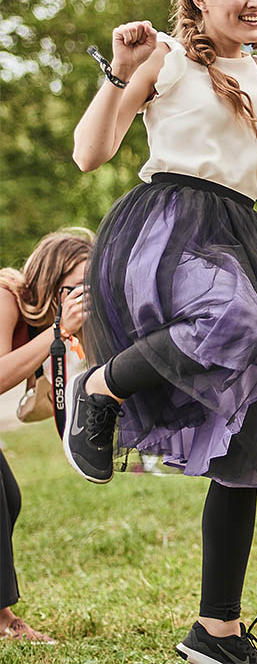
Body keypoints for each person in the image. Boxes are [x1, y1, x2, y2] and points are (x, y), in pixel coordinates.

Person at [68, 0, 257, 662]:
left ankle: (214, 632)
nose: (255, 0)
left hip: (242, 237)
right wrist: (118, 74)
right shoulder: (164, 56)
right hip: (174, 231)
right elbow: (90, 152)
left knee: (248, 442)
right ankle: (98, 387)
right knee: (229, 323)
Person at [0, 229, 91, 644]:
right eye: (74, 287)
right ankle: (4, 620)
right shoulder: (7, 296)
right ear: (53, 281)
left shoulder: (43, 320)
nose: (79, 298)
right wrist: (56, 331)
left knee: (9, 499)